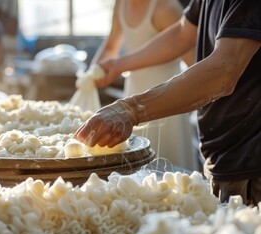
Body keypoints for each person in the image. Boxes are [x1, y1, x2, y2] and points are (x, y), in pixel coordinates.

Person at [75, 0, 261, 205]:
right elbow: (181, 34)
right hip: (220, 151)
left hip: (250, 157)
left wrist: (131, 109)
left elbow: (223, 71)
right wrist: (119, 64)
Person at [91, 0, 197, 170]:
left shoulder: (165, 7)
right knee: (135, 170)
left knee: (170, 168)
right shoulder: (121, 4)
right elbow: (111, 46)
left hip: (166, 102)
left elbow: (194, 61)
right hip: (131, 97)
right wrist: (92, 74)